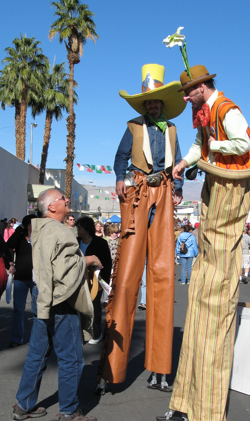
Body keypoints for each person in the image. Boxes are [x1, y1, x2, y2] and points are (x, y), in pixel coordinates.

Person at [157, 64, 250, 421]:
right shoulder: (203, 112)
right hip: (213, 188)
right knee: (201, 299)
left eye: (189, 91)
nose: (185, 97)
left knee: (216, 300)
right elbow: (197, 144)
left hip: (230, 188)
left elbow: (242, 146)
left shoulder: (227, 109)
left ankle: (210, 418)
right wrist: (186, 162)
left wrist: (208, 149)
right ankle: (186, 402)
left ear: (204, 86)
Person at [96, 64, 185, 392]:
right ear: (144, 105)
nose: (153, 106)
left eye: (156, 102)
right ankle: (110, 370)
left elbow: (179, 164)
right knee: (127, 275)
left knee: (163, 273)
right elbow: (120, 157)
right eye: (148, 102)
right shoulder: (133, 127)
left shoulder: (173, 129)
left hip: (162, 190)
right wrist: (119, 178)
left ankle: (159, 369)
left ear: (161, 104)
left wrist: (178, 185)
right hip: (136, 191)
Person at [12, 189, 98, 421]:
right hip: (60, 301)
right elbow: (63, 271)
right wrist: (88, 260)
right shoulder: (59, 231)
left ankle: (23, 405)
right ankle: (68, 412)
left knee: (37, 355)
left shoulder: (42, 229)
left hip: (43, 298)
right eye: (62, 199)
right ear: (51, 207)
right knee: (71, 358)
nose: (67, 200)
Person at [76, 216, 112, 344]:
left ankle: (96, 333)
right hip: (77, 280)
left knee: (95, 307)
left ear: (87, 228)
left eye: (79, 227)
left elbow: (107, 264)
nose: (77, 230)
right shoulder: (75, 242)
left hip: (95, 280)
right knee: (78, 307)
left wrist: (104, 282)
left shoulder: (101, 243)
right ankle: (80, 333)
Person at [7, 214, 36, 347]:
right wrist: (20, 229)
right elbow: (9, 244)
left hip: (36, 279)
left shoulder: (39, 238)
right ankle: (16, 338)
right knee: (18, 309)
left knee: (37, 310)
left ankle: (38, 339)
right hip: (21, 278)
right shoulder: (20, 238)